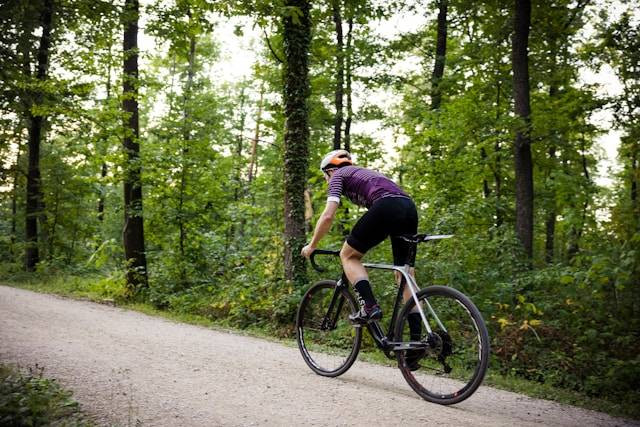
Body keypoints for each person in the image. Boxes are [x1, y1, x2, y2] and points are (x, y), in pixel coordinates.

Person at [301, 149, 421, 332]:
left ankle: (370, 307)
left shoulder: (337, 176)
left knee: (348, 256)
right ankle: (417, 345)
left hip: (387, 205)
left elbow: (327, 216)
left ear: (330, 170)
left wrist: (312, 245)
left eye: (325, 176)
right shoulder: (364, 173)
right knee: (405, 275)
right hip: (409, 207)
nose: (327, 181)